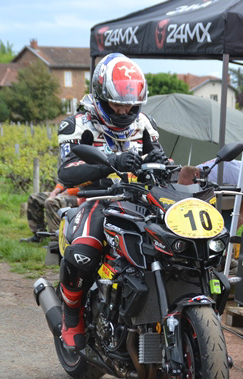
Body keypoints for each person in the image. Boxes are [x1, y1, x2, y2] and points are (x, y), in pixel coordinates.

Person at [55, 53, 168, 350]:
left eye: (129, 103)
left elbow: (162, 160)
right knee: (83, 251)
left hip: (141, 200)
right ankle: (71, 314)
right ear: (101, 95)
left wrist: (160, 162)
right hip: (99, 198)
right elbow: (66, 172)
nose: (123, 109)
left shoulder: (144, 122)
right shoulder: (78, 123)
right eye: (117, 103)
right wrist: (111, 162)